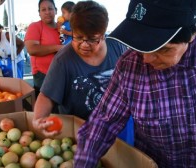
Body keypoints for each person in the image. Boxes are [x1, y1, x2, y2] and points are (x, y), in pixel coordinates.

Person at [74, 0, 196, 167]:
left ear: (192, 34)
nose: (146, 59)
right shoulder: (129, 65)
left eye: (163, 49)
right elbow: (102, 124)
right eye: (140, 45)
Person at [32, 1, 134, 145]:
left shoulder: (118, 48)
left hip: (118, 128)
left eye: (92, 39)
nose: (84, 44)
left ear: (104, 35)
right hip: (81, 133)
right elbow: (47, 96)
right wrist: (39, 119)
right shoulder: (64, 59)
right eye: (78, 37)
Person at [25, 0, 63, 96]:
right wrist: (57, 48)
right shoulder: (35, 26)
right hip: (43, 75)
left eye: (50, 8)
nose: (47, 12)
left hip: (63, 74)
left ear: (56, 10)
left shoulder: (62, 28)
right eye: (43, 10)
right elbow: (32, 49)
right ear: (39, 13)